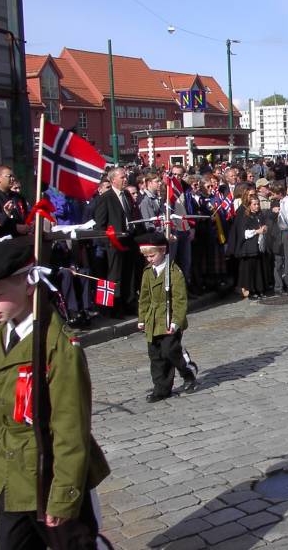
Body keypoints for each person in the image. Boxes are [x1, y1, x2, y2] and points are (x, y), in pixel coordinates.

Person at [0, 237, 110, 548]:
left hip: (51, 472)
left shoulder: (58, 345)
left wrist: (64, 494)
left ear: (30, 285)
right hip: (14, 477)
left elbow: (71, 427)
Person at [137, 232, 196, 402]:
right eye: (146, 256)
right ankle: (161, 388)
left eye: (152, 255)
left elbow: (180, 299)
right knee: (156, 355)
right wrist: (142, 318)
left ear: (163, 251)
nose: (149, 259)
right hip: (152, 319)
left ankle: (188, 372)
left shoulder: (173, 271)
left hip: (169, 317)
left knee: (170, 350)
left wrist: (177, 321)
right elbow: (145, 297)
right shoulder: (148, 271)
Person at [94, 167, 137, 317]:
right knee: (114, 276)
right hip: (113, 243)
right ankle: (112, 308)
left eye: (126, 177)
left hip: (127, 240)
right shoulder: (105, 198)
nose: (125, 179)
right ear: (113, 180)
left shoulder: (126, 195)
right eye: (122, 177)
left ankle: (128, 303)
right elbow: (100, 225)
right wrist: (107, 243)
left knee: (128, 274)